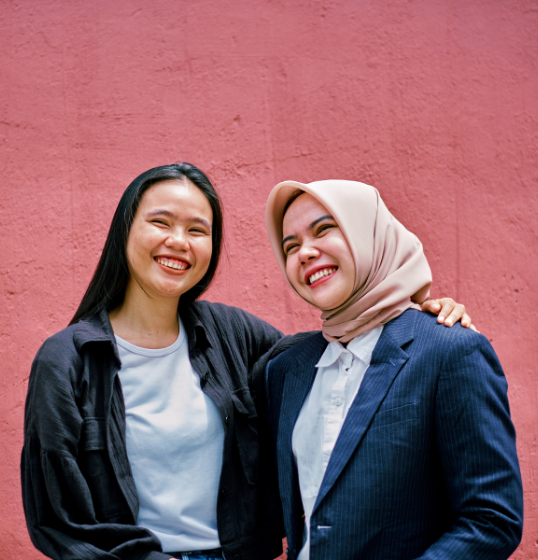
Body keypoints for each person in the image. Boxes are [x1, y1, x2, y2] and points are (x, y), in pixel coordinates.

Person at [21, 163, 472, 560]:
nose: (179, 242)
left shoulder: (235, 336)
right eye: (161, 222)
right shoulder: (67, 361)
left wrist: (411, 316)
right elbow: (56, 519)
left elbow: (341, 351)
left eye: (198, 230)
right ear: (125, 231)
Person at [264, 179, 523, 560]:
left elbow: (492, 519)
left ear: (369, 235)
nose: (304, 252)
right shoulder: (287, 370)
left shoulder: (450, 351)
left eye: (323, 229)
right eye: (290, 246)